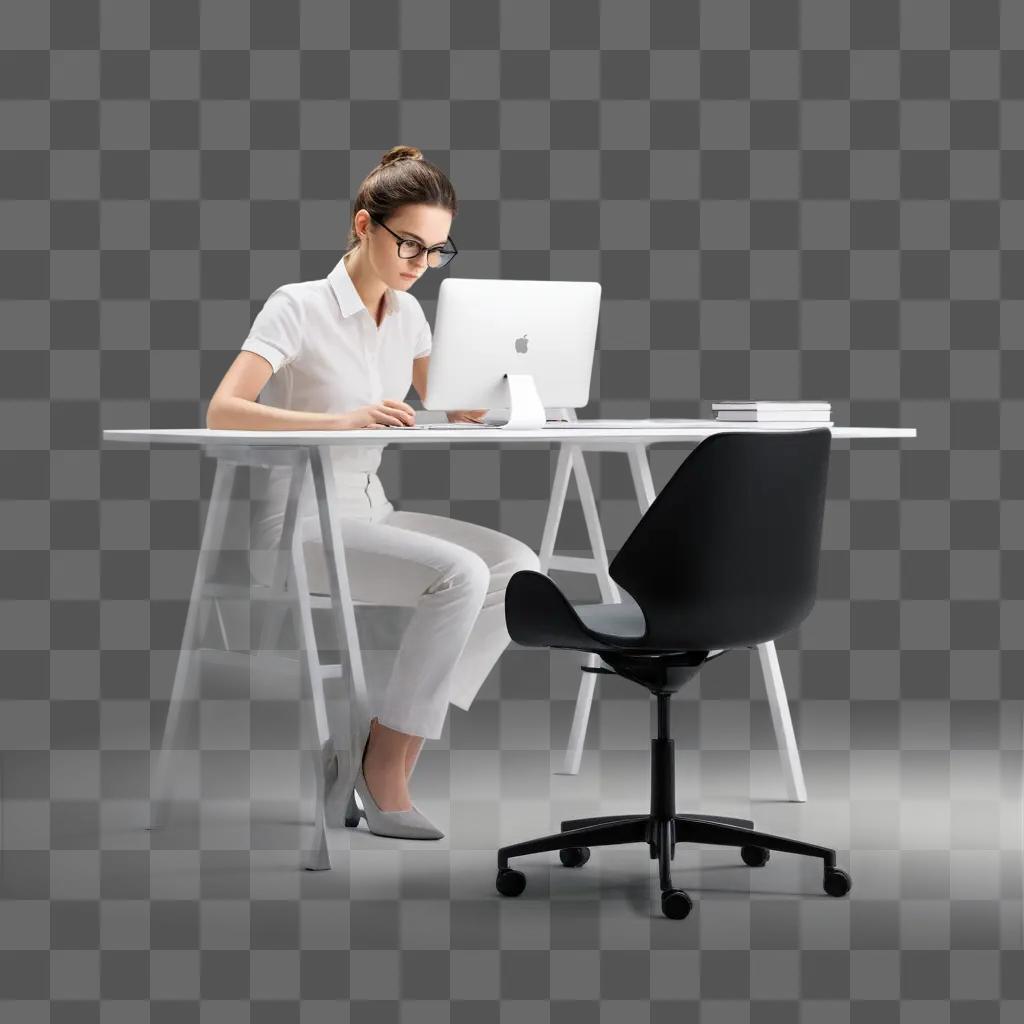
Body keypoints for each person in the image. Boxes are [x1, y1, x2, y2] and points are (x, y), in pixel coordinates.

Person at [206, 145, 541, 840]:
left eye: (438, 251)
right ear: (364, 226)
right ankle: (388, 770)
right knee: (460, 573)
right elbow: (224, 410)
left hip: (370, 512)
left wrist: (514, 394)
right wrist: (339, 419)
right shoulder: (297, 306)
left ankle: (387, 744)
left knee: (519, 569)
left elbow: (448, 402)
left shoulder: (409, 317)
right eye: (410, 243)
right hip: (299, 526)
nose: (420, 263)